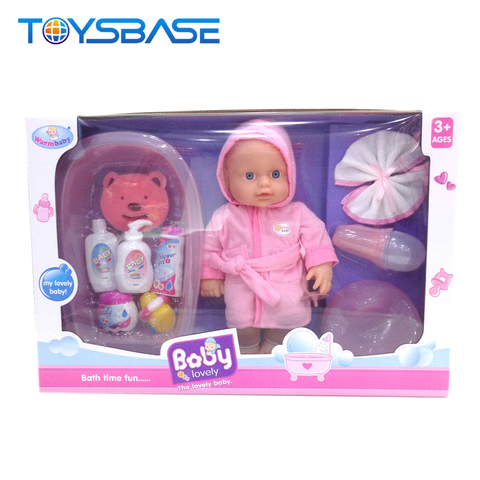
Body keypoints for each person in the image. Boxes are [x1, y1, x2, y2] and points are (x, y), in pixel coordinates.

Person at [200, 120, 338, 354]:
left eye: (275, 174)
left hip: (286, 292)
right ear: (227, 179)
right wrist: (210, 276)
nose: (264, 183)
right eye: (250, 175)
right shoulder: (225, 216)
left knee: (284, 327)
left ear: (289, 175)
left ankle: (274, 348)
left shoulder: (297, 213)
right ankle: (247, 349)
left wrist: (322, 265)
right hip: (242, 288)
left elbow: (317, 238)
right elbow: (209, 248)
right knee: (242, 328)